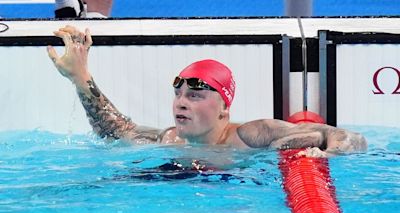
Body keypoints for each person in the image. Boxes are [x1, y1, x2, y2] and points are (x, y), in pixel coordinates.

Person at [47, 25, 367, 158]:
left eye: (195, 95)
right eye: (179, 94)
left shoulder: (252, 135)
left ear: (224, 109)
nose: (181, 103)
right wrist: (81, 78)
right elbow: (116, 129)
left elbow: (351, 137)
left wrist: (328, 153)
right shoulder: (168, 139)